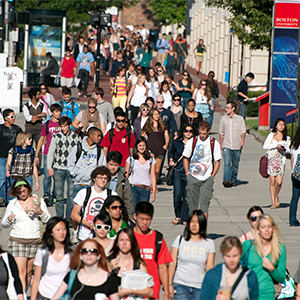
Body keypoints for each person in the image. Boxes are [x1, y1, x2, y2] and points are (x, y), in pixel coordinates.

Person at [1, 178, 51, 290]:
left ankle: (23, 292)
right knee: (20, 272)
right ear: (15, 193)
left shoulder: (38, 200)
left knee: (29, 273)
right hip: (17, 241)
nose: (23, 194)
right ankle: (21, 296)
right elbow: (4, 224)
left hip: (35, 241)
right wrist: (8, 219)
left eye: (25, 190)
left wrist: (41, 212)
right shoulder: (12, 204)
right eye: (20, 192)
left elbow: (48, 219)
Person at [169, 210, 215, 300]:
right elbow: (172, 263)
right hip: (180, 285)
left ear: (202, 224)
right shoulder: (180, 240)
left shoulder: (209, 243)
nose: (194, 225)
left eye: (197, 222)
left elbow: (210, 267)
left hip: (200, 287)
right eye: (192, 222)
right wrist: (169, 285)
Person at [52, 239, 119, 300]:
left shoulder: (110, 279)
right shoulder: (72, 276)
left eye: (93, 251)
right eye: (85, 251)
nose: (89, 254)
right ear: (80, 255)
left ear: (99, 255)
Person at [241, 214, 286, 300]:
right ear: (257, 229)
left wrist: (272, 268)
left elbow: (281, 278)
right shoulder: (247, 245)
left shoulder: (280, 248)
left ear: (273, 229)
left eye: (269, 227)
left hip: (267, 294)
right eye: (263, 227)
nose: (266, 230)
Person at [133, 202, 172, 300]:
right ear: (135, 216)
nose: (145, 223)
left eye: (148, 219)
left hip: (152, 290)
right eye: (142, 219)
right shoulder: (127, 237)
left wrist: (166, 292)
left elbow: (162, 267)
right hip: (132, 290)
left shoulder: (157, 238)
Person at [183, 121, 221, 219]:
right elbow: (186, 158)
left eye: (204, 134)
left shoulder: (213, 143)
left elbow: (217, 161)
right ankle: (194, 230)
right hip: (193, 176)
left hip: (207, 178)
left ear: (209, 131)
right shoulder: (192, 141)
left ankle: (203, 230)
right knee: (193, 207)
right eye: (200, 133)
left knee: (204, 206)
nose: (202, 136)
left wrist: (212, 176)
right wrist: (188, 174)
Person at [47, 116, 81, 221]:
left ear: (69, 126)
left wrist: (78, 168)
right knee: (59, 195)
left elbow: (79, 154)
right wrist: (49, 167)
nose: (63, 128)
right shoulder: (56, 137)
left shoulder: (76, 137)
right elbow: (50, 152)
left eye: (65, 126)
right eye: (61, 126)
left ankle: (69, 217)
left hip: (71, 169)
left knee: (71, 194)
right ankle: (59, 218)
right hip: (58, 168)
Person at [71, 166, 117, 242]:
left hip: (106, 237)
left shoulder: (113, 195)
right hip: (85, 236)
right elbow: (74, 215)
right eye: (100, 177)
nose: (103, 180)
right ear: (94, 178)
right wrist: (88, 224)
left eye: (105, 178)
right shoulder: (84, 192)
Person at [30, 217, 72, 300]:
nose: (62, 232)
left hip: (65, 296)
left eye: (64, 229)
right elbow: (36, 279)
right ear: (51, 233)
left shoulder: (72, 252)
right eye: (58, 230)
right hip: (45, 296)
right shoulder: (43, 252)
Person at [109, 228, 154, 298]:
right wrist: (109, 269)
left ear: (132, 243)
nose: (124, 243)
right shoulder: (108, 261)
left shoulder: (139, 264)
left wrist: (131, 291)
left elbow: (150, 292)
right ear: (117, 243)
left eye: (128, 240)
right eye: (121, 240)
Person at [68, 127, 106, 200]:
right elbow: (70, 164)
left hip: (91, 185)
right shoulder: (78, 147)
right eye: (98, 135)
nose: (100, 138)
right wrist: (76, 174)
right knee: (75, 209)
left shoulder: (99, 150)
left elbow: (102, 167)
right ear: (91, 135)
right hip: (77, 184)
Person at [169, 125, 196, 225]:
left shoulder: (195, 143)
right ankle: (178, 215)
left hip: (190, 172)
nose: (188, 133)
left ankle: (185, 217)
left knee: (187, 196)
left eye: (190, 131)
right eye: (186, 131)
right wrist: (171, 160)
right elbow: (171, 152)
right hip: (178, 171)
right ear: (183, 132)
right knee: (177, 195)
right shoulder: (177, 142)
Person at [262, 118, 290, 208]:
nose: (281, 126)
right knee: (272, 182)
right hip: (271, 160)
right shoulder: (271, 135)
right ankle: (273, 202)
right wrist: (275, 145)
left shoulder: (287, 137)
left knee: (279, 182)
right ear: (276, 125)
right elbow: (265, 146)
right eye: (280, 124)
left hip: (281, 161)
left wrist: (284, 148)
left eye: (283, 125)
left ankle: (276, 195)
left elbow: (289, 150)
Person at [125, 137, 156, 210]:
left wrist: (154, 191)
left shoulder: (151, 159)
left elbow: (153, 176)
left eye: (143, 145)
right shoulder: (131, 159)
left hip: (145, 189)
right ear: (136, 146)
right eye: (140, 145)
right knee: (133, 211)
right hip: (133, 188)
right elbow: (125, 175)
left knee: (143, 212)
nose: (142, 147)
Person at [219, 102, 246, 188]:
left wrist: (242, 139)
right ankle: (226, 180)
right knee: (227, 163)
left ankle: (233, 179)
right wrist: (221, 143)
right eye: (226, 107)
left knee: (235, 163)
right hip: (226, 144)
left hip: (236, 144)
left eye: (228, 108)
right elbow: (221, 132)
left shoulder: (240, 119)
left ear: (233, 108)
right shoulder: (223, 119)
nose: (226, 109)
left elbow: (243, 131)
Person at [0, 109, 22, 204]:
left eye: (14, 116)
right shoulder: (0, 129)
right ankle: (3, 198)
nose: (13, 119)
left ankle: (10, 200)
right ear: (5, 118)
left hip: (14, 158)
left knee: (12, 180)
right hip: (2, 157)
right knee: (2, 179)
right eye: (11, 117)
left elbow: (22, 141)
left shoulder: (17, 129)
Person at [142, 108, 169, 182]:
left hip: (160, 149)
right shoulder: (148, 124)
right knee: (151, 169)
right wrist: (143, 146)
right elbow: (142, 135)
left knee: (157, 171)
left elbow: (166, 136)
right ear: (152, 115)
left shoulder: (163, 125)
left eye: (158, 114)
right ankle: (150, 185)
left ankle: (154, 184)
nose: (157, 116)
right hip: (150, 148)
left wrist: (166, 144)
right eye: (155, 114)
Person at [23, 87, 47, 170]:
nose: (40, 96)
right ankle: (28, 166)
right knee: (28, 147)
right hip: (29, 129)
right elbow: (29, 119)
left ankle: (37, 167)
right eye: (38, 94)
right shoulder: (26, 106)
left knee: (39, 149)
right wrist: (39, 116)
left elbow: (44, 116)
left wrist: (36, 117)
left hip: (39, 129)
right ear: (33, 96)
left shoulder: (42, 105)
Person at [105, 151, 133, 217]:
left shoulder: (123, 179)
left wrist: (129, 216)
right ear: (107, 164)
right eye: (111, 164)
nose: (113, 167)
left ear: (119, 165)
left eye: (116, 165)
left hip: (117, 211)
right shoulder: (101, 177)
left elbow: (127, 199)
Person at [289, 127, 300, 226]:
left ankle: (292, 220)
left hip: (295, 174)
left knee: (295, 198)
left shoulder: (294, 145)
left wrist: (293, 171)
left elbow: (292, 161)